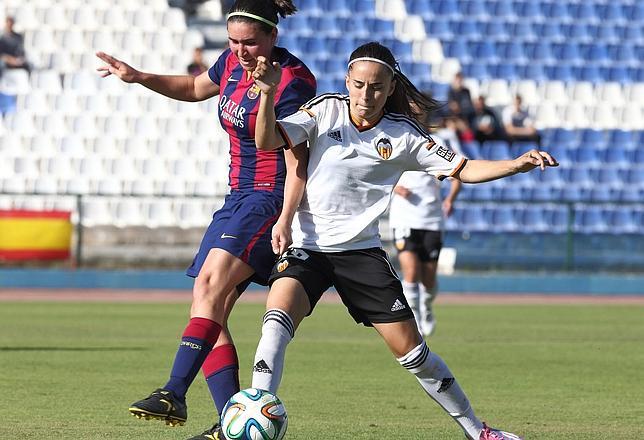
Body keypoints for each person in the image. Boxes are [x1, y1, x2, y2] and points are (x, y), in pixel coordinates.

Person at [249, 41, 557, 440]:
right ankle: (257, 413)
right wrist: (268, 94)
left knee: (414, 353)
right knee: (275, 321)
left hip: (360, 253)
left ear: (391, 87)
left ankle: (478, 431)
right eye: (358, 84)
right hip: (308, 246)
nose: (365, 94)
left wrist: (516, 164)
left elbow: (463, 169)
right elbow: (266, 141)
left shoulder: (404, 136)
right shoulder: (324, 109)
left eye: (376, 87)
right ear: (347, 81)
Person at [95, 2, 316, 440]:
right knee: (208, 307)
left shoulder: (293, 81)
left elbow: (298, 160)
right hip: (236, 197)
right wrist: (140, 77)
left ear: (272, 37)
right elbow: (196, 88)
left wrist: (287, 218)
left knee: (209, 287)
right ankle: (229, 425)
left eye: (250, 42)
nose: (241, 51)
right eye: (234, 42)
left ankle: (174, 391)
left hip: (268, 199)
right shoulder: (231, 64)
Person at [389, 122, 462, 337]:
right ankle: (415, 317)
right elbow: (375, 171)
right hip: (403, 218)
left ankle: (426, 308)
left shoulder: (437, 144)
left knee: (428, 277)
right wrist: (395, 187)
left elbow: (457, 175)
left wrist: (449, 199)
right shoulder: (395, 138)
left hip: (431, 219)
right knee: (411, 271)